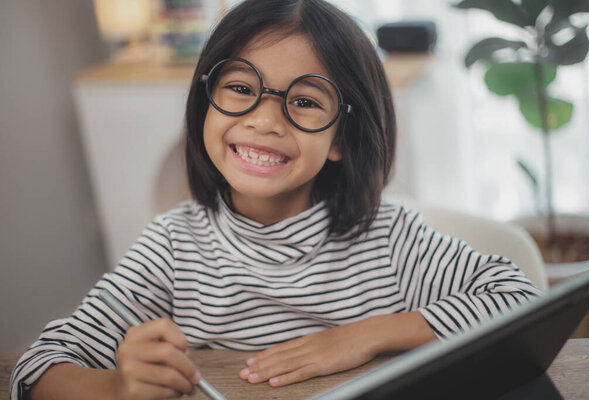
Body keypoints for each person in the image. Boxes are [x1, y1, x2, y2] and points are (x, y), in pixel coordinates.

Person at [10, 0, 541, 399]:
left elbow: (517, 298)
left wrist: (365, 336)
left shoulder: (389, 237)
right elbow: (37, 368)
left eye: (305, 101)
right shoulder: (172, 249)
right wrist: (116, 388)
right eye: (241, 89)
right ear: (204, 103)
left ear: (339, 139)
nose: (264, 120)